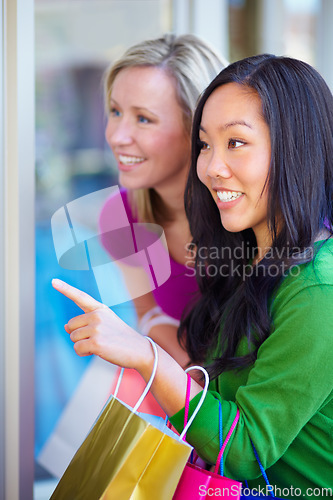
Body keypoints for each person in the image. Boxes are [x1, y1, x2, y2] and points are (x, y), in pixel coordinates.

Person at [52, 53, 333, 497]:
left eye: (236, 143)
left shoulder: (320, 290)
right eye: (204, 144)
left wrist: (148, 356)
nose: (211, 167)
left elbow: (244, 450)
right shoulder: (251, 259)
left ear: (296, 149)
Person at [98, 33, 227, 413]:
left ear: (199, 130)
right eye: (115, 111)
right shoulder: (119, 215)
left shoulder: (253, 217)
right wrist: (190, 383)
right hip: (195, 410)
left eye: (144, 119)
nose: (118, 136)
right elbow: (149, 316)